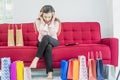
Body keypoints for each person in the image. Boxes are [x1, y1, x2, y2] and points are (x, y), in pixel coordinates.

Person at [29, 5, 61, 79]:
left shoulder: (56, 22)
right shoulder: (38, 21)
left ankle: (36, 59)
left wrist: (52, 21)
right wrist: (42, 21)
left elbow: (52, 33)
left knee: (47, 38)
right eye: (45, 17)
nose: (47, 19)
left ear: (52, 15)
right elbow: (42, 33)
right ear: (41, 15)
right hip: (42, 42)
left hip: (54, 41)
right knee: (48, 47)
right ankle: (50, 74)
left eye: (49, 17)